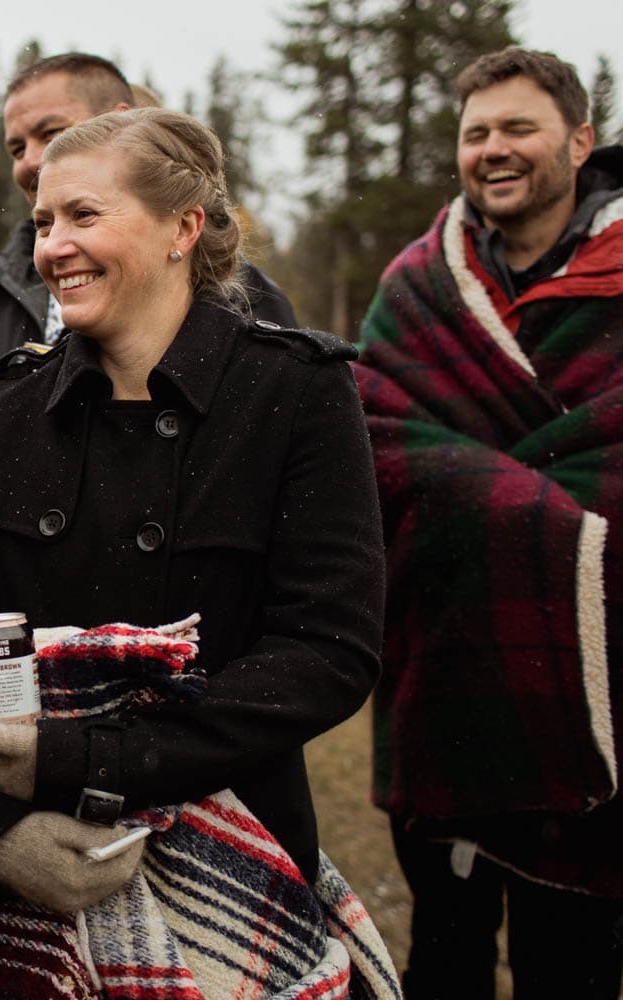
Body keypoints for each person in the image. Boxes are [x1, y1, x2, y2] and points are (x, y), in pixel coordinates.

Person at [0, 106, 383, 950]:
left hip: (242, 863)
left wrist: (98, 759)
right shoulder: (7, 408)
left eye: (85, 216)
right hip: (31, 881)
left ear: (183, 228)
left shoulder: (293, 393)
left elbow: (328, 651)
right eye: (45, 222)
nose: (53, 247)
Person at [355, 47, 623, 1000]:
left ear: (580, 141)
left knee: (574, 965)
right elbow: (373, 446)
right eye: (477, 134)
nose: (494, 150)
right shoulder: (416, 289)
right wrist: (547, 505)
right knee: (446, 962)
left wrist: (480, 488)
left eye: (519, 128)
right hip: (452, 685)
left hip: (595, 701)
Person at [0, 52, 297, 362]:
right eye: (17, 149)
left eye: (52, 133)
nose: (32, 161)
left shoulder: (245, 300)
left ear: (123, 123)